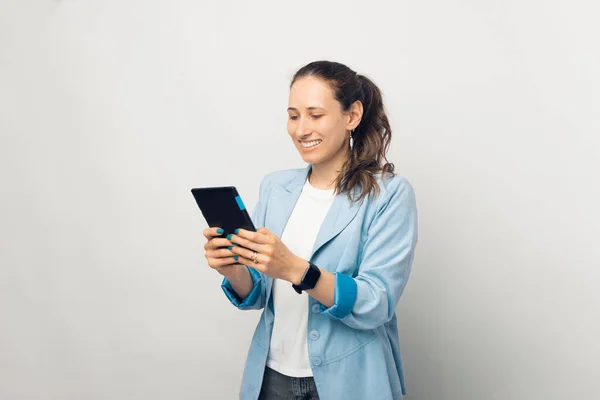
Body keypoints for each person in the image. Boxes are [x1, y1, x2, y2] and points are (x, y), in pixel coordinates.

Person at [202, 60, 418, 400]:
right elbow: (258, 294)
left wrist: (296, 269)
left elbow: (377, 303)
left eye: (315, 115)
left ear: (352, 116)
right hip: (271, 378)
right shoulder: (275, 187)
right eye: (293, 116)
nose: (302, 129)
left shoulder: (389, 194)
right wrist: (234, 269)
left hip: (350, 379)